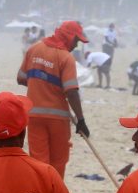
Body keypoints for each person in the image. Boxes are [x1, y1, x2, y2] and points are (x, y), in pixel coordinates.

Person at [16, 19, 91, 176]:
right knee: (58, 161)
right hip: (58, 118)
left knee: (38, 161)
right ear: (69, 37)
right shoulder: (66, 58)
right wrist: (81, 120)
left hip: (34, 115)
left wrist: (40, 83)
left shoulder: (34, 49)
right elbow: (71, 91)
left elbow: (21, 78)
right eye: (76, 40)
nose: (76, 45)